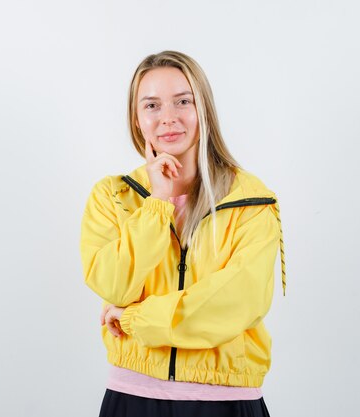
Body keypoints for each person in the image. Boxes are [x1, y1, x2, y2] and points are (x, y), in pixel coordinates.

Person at [79, 50, 287, 417]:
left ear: (203, 108)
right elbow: (114, 285)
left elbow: (234, 302)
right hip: (132, 398)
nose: (168, 118)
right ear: (137, 118)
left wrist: (132, 319)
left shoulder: (251, 201)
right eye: (152, 105)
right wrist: (158, 202)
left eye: (183, 101)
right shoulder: (113, 196)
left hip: (226, 402)